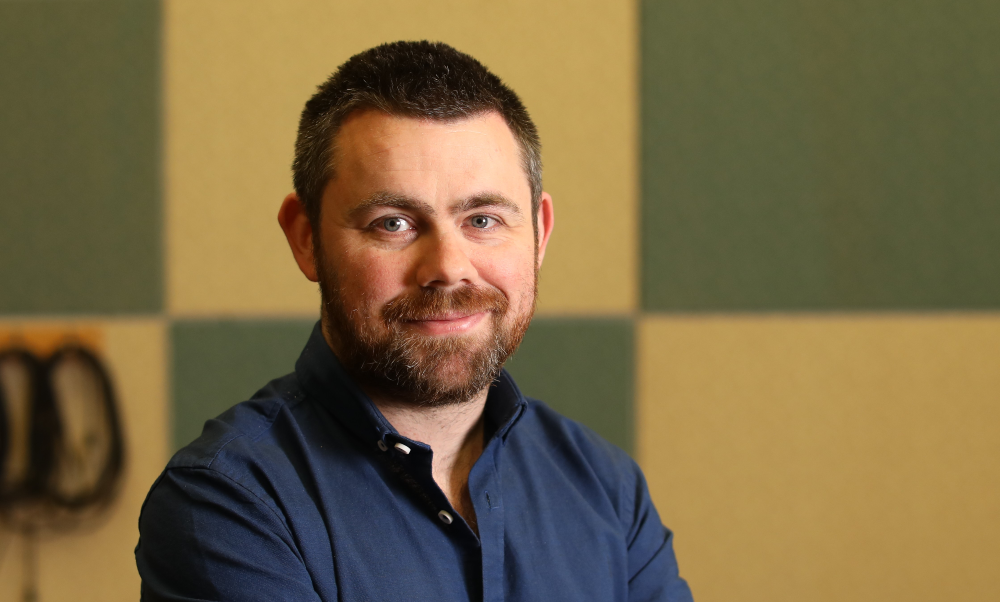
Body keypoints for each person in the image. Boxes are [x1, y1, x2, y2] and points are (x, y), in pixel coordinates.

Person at [135, 40, 694, 601]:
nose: (449, 269)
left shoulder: (608, 492)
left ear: (540, 233)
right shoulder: (229, 504)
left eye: (482, 219)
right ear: (306, 239)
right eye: (393, 224)